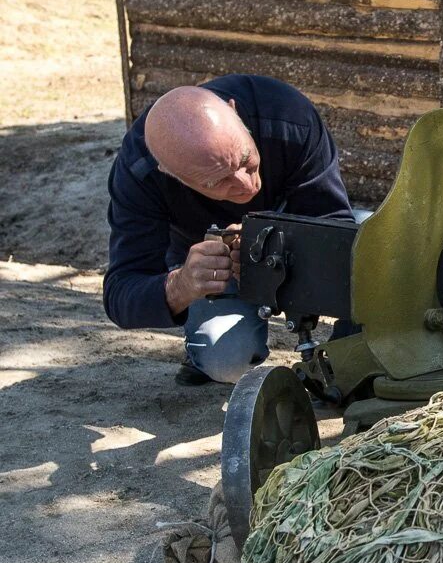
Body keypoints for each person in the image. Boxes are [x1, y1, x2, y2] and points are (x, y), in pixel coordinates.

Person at [104, 74, 354, 386]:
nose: (247, 185)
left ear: (233, 110)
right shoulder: (139, 172)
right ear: (170, 174)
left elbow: (336, 225)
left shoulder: (287, 115)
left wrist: (271, 243)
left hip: (298, 234)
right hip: (215, 269)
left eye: (247, 160)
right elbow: (120, 292)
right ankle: (200, 347)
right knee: (225, 358)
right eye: (218, 181)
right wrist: (183, 284)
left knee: (380, 248)